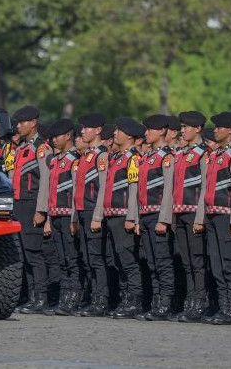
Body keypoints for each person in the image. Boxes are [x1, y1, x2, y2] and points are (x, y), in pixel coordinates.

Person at [194, 112, 231, 325]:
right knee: (216, 264)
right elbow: (206, 187)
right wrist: (202, 216)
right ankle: (224, 306)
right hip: (213, 214)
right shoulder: (217, 154)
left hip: (227, 215)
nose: (215, 130)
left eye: (220, 127)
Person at [91, 117, 144, 319]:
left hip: (123, 216)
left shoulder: (133, 159)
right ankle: (124, 299)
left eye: (118, 131)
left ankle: (134, 302)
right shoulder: (115, 158)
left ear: (129, 135)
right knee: (118, 261)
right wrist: (100, 214)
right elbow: (104, 188)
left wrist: (132, 217)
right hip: (111, 215)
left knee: (128, 260)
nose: (114, 134)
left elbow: (134, 189)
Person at [134, 115, 176, 320]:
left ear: (161, 132)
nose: (146, 133)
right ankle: (156, 302)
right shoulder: (148, 156)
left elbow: (169, 189)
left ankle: (165, 304)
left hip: (158, 214)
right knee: (151, 262)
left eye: (150, 130)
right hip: (145, 214)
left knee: (162, 261)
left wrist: (164, 218)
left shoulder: (166, 157)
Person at [11, 105, 52, 315]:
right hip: (19, 204)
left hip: (32, 204)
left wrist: (42, 209)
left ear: (33, 123)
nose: (18, 126)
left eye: (22, 122)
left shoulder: (41, 148)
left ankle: (41, 298)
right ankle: (31, 297)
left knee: (34, 253)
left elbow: (45, 180)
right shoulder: (22, 148)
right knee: (24, 254)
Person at [70, 113, 110, 317]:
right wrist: (75, 217)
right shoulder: (86, 155)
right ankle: (93, 297)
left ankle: (101, 300)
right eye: (82, 128)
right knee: (86, 258)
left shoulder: (102, 155)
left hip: (92, 210)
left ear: (98, 131)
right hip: (81, 211)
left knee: (96, 258)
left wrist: (97, 215)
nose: (83, 131)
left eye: (87, 128)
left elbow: (103, 188)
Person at [173, 111, 208, 322]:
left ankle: (199, 301)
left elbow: (206, 185)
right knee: (186, 261)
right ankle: (190, 300)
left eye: (186, 127)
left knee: (197, 260)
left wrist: (200, 217)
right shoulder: (180, 153)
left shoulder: (203, 153)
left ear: (198, 129)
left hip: (194, 211)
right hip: (179, 212)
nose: (182, 130)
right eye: (182, 127)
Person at [44, 119, 81, 315]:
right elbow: (51, 192)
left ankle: (74, 296)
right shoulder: (56, 160)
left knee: (72, 257)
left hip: (68, 215)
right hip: (56, 214)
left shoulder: (75, 159)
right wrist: (49, 218)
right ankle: (64, 297)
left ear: (68, 136)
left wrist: (75, 218)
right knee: (61, 259)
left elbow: (76, 191)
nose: (53, 140)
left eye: (57, 136)